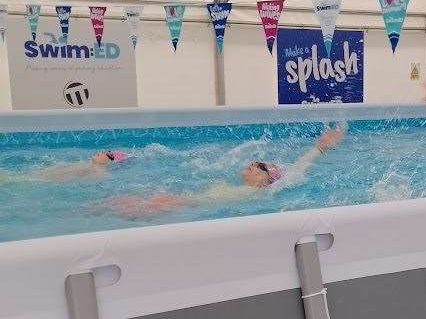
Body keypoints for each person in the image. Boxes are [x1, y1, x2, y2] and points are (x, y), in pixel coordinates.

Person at [110, 126, 345, 218]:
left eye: (261, 166)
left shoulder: (262, 193)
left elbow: (298, 168)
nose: (253, 164)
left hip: (187, 205)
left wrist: (321, 146)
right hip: (186, 203)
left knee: (128, 205)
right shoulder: (242, 189)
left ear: (268, 180)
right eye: (255, 162)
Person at [1, 149, 128, 182]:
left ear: (111, 161)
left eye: (108, 154)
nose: (102, 152)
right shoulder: (86, 164)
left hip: (37, 180)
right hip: (35, 175)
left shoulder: (99, 173)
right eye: (105, 150)